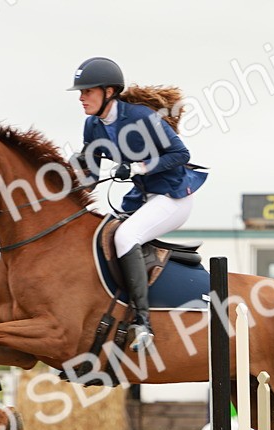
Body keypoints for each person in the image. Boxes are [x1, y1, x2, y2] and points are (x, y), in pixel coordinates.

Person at [68, 56, 207, 352]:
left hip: (173, 195)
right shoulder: (92, 126)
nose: (81, 98)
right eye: (80, 92)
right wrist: (73, 171)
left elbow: (180, 154)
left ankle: (143, 322)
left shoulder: (141, 118)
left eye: (87, 91)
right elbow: (91, 178)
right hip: (142, 198)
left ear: (108, 92)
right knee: (101, 234)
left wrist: (137, 168)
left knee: (126, 236)